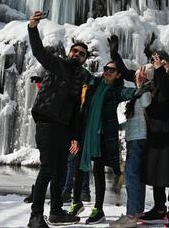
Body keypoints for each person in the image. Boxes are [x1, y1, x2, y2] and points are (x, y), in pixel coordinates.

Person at [27, 11, 89, 228]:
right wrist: (33, 28)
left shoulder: (79, 78)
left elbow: (75, 110)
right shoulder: (57, 64)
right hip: (46, 121)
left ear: (84, 60)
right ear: (70, 52)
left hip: (63, 127)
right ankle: (35, 216)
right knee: (47, 169)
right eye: (75, 51)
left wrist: (75, 137)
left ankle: (56, 212)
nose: (77, 55)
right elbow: (38, 52)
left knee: (61, 171)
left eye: (81, 54)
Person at [69, 60, 151, 225]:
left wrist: (141, 87)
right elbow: (81, 71)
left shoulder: (115, 91)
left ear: (118, 75)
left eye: (112, 70)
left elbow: (130, 93)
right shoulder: (94, 82)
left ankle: (98, 209)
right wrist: (72, 59)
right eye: (106, 68)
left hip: (102, 136)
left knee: (98, 171)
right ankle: (76, 202)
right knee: (78, 169)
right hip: (86, 133)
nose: (107, 71)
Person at [140, 52, 169, 226]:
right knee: (155, 172)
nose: (160, 65)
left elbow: (167, 94)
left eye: (165, 64)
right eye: (159, 63)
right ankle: (159, 208)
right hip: (155, 133)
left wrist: (160, 70)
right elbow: (150, 107)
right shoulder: (157, 84)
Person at [110, 66, 152, 228]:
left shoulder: (146, 89)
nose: (135, 77)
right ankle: (137, 211)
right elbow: (134, 118)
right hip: (135, 137)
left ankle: (132, 214)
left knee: (131, 174)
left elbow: (147, 103)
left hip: (139, 138)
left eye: (139, 75)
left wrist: (142, 84)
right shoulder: (139, 91)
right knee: (136, 175)